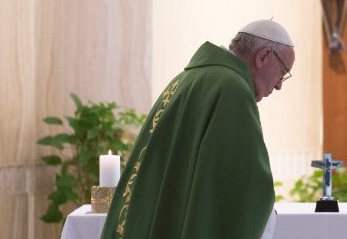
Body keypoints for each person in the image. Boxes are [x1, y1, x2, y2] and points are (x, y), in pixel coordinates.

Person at [100, 19, 295, 239]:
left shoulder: (187, 79)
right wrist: (265, 214)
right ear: (263, 56)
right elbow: (243, 187)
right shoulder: (232, 90)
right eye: (282, 72)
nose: (278, 85)